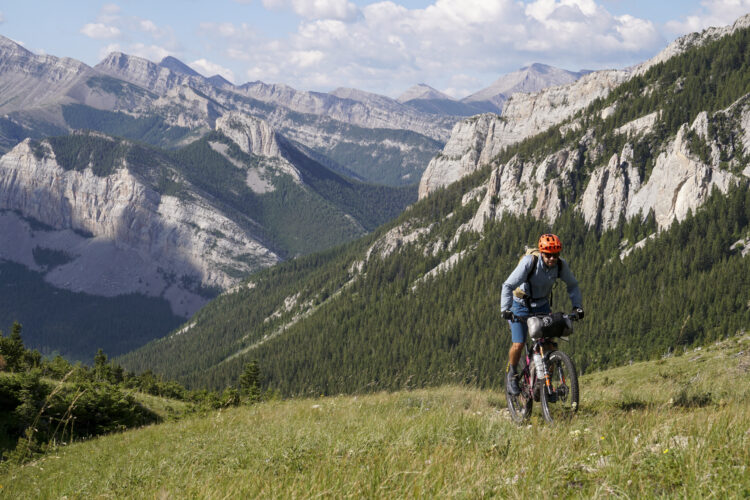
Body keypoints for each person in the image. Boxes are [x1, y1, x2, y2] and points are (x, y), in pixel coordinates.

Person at [500, 233, 584, 395]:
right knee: (519, 343)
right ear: (542, 253)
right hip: (520, 305)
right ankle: (512, 374)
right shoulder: (529, 263)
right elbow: (508, 285)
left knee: (549, 345)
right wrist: (506, 310)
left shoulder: (560, 265)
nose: (552, 259)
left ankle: (543, 381)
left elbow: (573, 285)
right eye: (548, 255)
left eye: (556, 254)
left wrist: (577, 307)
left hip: (542, 305)